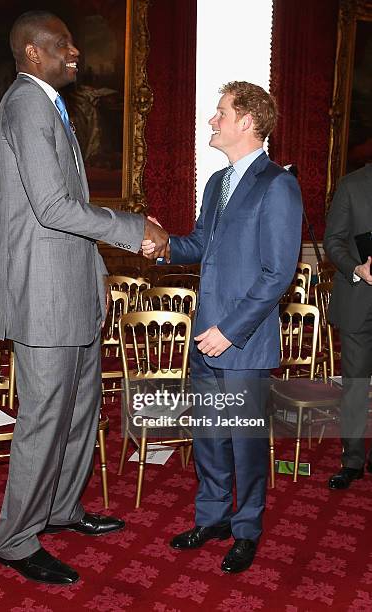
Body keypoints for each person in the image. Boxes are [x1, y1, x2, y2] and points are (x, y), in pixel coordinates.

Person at [0, 10, 167, 585]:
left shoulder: (49, 106)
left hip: (72, 292)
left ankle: (62, 510)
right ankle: (17, 540)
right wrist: (134, 226)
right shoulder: (24, 104)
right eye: (63, 45)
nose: (75, 53)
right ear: (31, 53)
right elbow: (52, 208)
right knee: (45, 420)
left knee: (78, 414)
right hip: (44, 298)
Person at [143, 81, 302, 573]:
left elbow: (279, 273)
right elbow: (199, 246)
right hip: (205, 334)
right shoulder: (217, 183)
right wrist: (164, 244)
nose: (212, 121)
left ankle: (247, 527)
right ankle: (213, 517)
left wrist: (231, 331)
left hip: (243, 341)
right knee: (210, 436)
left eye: (220, 113)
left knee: (245, 442)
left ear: (247, 122)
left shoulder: (278, 184)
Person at [323, 165, 372, 490]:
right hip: (360, 301)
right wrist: (356, 267)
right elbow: (333, 241)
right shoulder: (352, 185)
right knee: (355, 385)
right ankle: (352, 460)